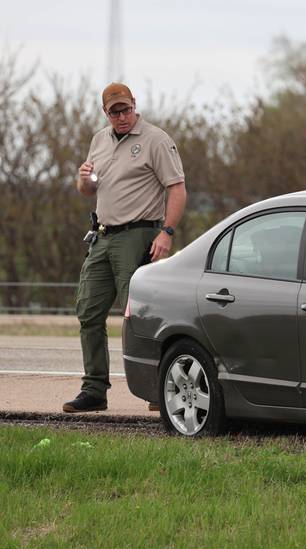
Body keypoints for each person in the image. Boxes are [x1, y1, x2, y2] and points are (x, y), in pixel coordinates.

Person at [63, 82, 187, 413]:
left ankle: (156, 390)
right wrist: (84, 179)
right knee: (88, 311)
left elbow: (177, 188)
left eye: (125, 109)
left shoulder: (155, 140)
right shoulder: (99, 140)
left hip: (138, 235)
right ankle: (94, 389)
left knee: (138, 315)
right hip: (102, 236)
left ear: (134, 104)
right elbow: (88, 190)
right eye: (114, 112)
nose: (121, 117)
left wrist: (167, 232)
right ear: (106, 112)